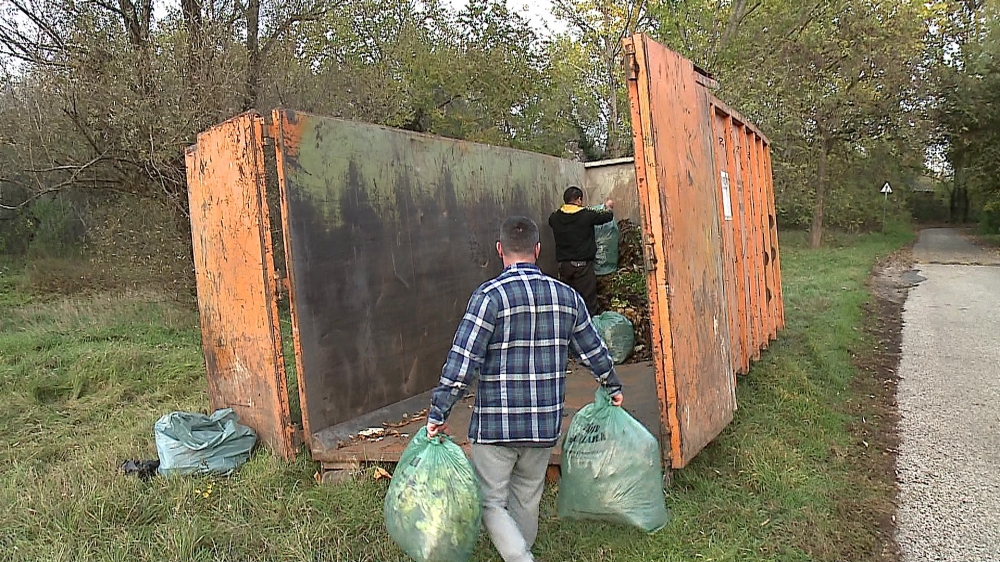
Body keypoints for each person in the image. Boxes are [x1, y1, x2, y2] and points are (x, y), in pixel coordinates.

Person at [426, 216, 624, 562]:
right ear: (537, 249)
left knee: (490, 500)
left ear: (500, 250)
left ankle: (521, 558)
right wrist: (612, 383)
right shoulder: (568, 297)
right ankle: (521, 551)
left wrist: (439, 411)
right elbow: (593, 349)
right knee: (527, 497)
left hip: (496, 427)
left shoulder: (489, 297)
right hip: (542, 425)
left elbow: (463, 361)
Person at [548, 186, 615, 317]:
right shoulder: (586, 215)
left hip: (564, 268)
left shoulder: (555, 218)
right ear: (579, 200)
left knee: (567, 302)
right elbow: (607, 216)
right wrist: (608, 206)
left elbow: (552, 218)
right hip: (583, 268)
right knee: (588, 303)